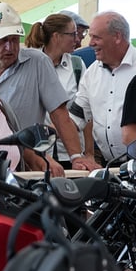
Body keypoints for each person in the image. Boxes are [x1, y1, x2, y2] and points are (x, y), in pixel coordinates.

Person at [0, 2, 96, 174]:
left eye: (14, 40)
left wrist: (76, 156)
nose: (10, 47)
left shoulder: (38, 62)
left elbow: (60, 113)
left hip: (28, 165)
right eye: (3, 40)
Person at [73, 11, 136, 163]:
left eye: (96, 37)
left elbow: (129, 134)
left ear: (117, 37)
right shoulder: (92, 72)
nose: (90, 43)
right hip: (109, 165)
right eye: (90, 37)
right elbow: (76, 116)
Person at [25, 13, 86, 166]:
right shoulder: (30, 64)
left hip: (70, 154)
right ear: (56, 36)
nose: (77, 40)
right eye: (72, 34)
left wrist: (89, 153)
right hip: (37, 153)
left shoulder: (77, 66)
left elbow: (86, 109)